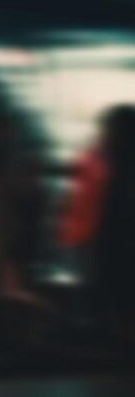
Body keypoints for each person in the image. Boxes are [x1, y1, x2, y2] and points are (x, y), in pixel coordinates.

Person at [62, 105, 135, 345]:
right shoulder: (103, 157)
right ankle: (115, 335)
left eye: (106, 127)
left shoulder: (107, 159)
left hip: (106, 235)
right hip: (102, 234)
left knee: (110, 287)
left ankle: (113, 337)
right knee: (111, 288)